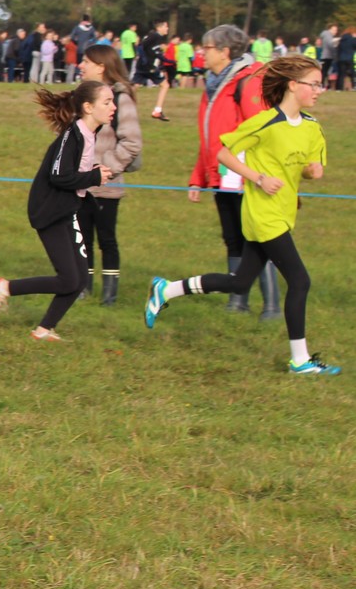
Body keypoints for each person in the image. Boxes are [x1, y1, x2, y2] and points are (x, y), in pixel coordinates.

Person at [145, 55, 338, 374]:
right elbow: (223, 153)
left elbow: (307, 169)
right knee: (300, 281)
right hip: (262, 214)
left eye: (321, 85)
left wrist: (310, 172)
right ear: (293, 85)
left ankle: (166, 289)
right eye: (314, 84)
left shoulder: (312, 128)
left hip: (284, 212)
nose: (320, 91)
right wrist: (258, 178)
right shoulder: (265, 122)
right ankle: (300, 360)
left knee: (239, 282)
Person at [0, 82, 116, 340]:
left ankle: (44, 330)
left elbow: (72, 173)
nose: (113, 107)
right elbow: (59, 176)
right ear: (88, 107)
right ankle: (4, 287)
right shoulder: (73, 136)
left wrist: (93, 174)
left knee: (79, 279)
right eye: (107, 102)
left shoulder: (90, 134)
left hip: (68, 210)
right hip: (50, 211)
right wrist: (94, 177)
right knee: (68, 279)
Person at [184, 24, 278, 318]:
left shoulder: (247, 82)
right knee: (233, 238)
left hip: (245, 177)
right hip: (220, 176)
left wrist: (258, 175)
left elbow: (262, 131)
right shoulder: (213, 84)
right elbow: (209, 138)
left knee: (257, 238)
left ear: (225, 52)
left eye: (207, 48)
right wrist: (199, 178)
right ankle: (238, 301)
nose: (202, 53)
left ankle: (272, 307)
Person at [75, 46, 142, 306]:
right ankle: (82, 289)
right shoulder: (81, 97)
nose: (81, 65)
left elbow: (132, 142)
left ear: (101, 66)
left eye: (86, 61)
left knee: (107, 240)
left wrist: (105, 169)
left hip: (106, 186)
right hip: (79, 185)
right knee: (82, 239)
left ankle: (109, 297)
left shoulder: (120, 99)